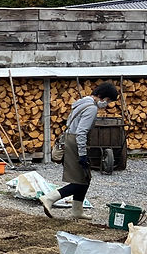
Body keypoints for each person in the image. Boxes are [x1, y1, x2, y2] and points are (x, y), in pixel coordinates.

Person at [40, 82, 120, 219]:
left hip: (69, 139)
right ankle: (49, 198)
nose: (106, 104)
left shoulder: (82, 103)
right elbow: (81, 132)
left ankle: (77, 211)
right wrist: (82, 155)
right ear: (101, 96)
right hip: (75, 143)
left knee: (85, 178)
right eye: (107, 100)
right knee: (80, 181)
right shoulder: (91, 109)